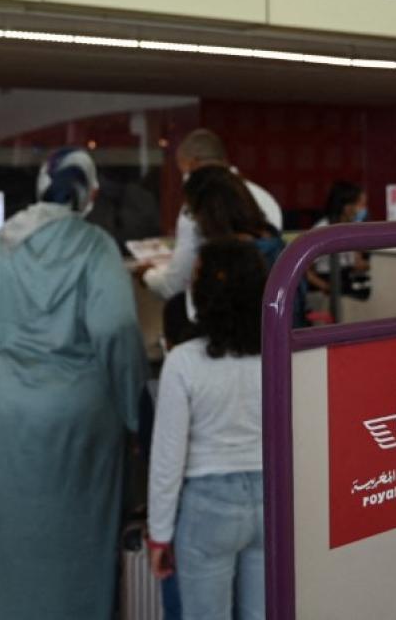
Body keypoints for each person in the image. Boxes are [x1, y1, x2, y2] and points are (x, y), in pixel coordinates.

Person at [0, 147, 149, 620]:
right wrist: (135, 408)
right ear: (89, 195)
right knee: (77, 529)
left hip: (7, 415)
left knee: (11, 526)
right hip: (78, 416)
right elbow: (115, 328)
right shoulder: (95, 246)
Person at [148, 238, 266, 620]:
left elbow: (168, 458)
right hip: (272, 500)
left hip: (207, 505)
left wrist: (159, 533)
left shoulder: (183, 362)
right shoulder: (281, 353)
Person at [141, 129, 282, 301]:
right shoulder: (265, 199)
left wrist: (148, 275)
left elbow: (176, 284)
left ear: (192, 165)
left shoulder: (197, 204)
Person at [304, 181, 371, 314]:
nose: (364, 209)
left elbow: (356, 263)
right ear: (346, 206)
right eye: (361, 204)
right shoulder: (322, 231)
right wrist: (326, 287)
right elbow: (305, 271)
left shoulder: (350, 228)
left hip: (346, 285)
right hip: (326, 291)